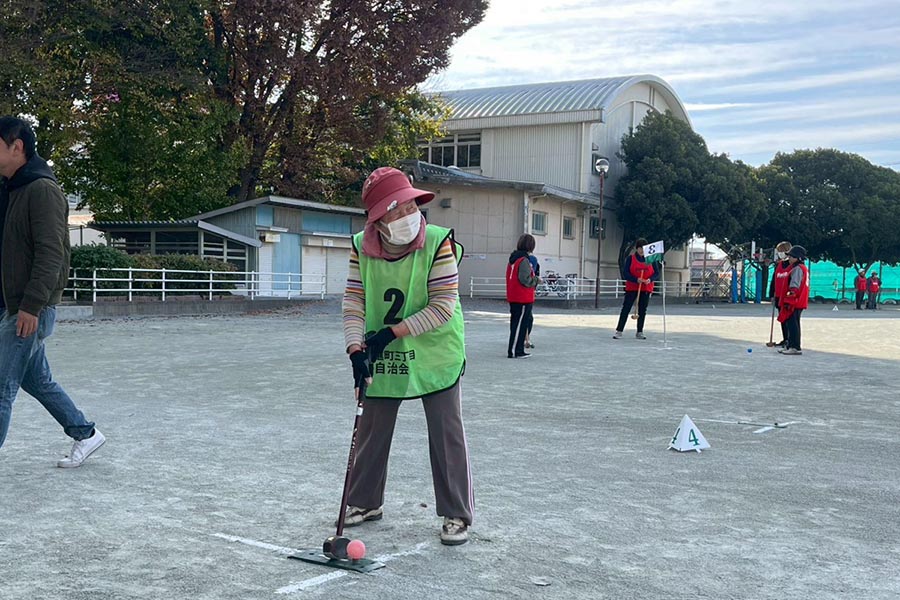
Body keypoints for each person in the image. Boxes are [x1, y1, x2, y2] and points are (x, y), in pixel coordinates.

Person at [341, 166, 473, 546]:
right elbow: (354, 302)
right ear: (377, 220)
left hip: (435, 348)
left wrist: (390, 334)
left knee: (446, 432)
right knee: (372, 425)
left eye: (409, 207)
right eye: (395, 211)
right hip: (382, 347)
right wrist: (355, 349)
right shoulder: (360, 247)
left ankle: (456, 512)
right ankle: (365, 501)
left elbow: (443, 305)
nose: (406, 216)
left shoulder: (438, 242)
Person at [0, 116, 105, 464]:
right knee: (37, 381)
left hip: (28, 308)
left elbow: (51, 253)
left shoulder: (42, 190)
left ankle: (85, 433)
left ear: (17, 147)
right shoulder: (11, 189)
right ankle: (85, 433)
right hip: (10, 305)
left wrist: (32, 305)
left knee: (2, 386)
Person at [613, 238, 658, 339]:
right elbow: (626, 273)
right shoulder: (631, 258)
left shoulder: (651, 259)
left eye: (643, 248)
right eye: (640, 248)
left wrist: (650, 279)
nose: (641, 250)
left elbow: (656, 273)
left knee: (642, 310)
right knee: (626, 308)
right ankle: (619, 330)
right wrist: (636, 279)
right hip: (632, 287)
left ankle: (640, 331)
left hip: (645, 288)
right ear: (636, 249)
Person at [506, 234, 540, 358]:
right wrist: (536, 280)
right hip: (523, 297)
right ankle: (517, 350)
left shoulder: (513, 259)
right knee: (521, 323)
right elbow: (525, 279)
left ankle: (512, 349)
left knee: (515, 323)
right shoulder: (524, 260)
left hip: (513, 295)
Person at [777, 245, 809, 355]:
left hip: (794, 301)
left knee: (792, 325)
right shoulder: (800, 268)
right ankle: (790, 345)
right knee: (792, 324)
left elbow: (794, 287)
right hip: (798, 301)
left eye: (791, 256)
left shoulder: (798, 269)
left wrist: (788, 300)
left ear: (798, 258)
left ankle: (795, 347)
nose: (789, 258)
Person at [769, 241, 793, 347]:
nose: (780, 253)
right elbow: (774, 280)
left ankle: (790, 339)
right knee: (782, 318)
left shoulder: (793, 265)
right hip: (778, 296)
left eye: (781, 251)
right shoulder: (779, 265)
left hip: (788, 296)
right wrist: (771, 294)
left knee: (789, 319)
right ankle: (785, 338)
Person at [524, 253, 540, 349]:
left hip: (528, 294)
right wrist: (536, 281)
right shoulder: (524, 261)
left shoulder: (532, 261)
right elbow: (527, 280)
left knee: (528, 318)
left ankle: (525, 338)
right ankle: (525, 339)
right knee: (526, 317)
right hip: (524, 295)